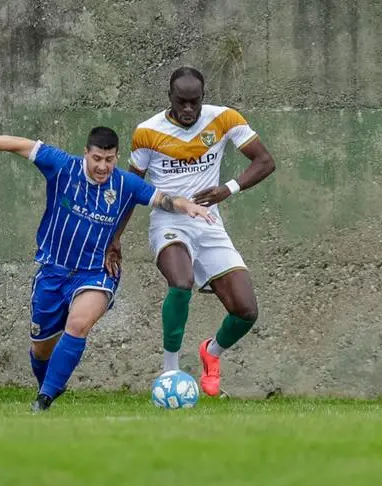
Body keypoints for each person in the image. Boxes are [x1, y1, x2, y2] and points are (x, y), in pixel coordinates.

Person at [0, 126, 215, 411]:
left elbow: (162, 198)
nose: (103, 166)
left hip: (96, 272)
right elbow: (16, 142)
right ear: (86, 154)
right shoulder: (62, 166)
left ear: (116, 158)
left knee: (77, 324)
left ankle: (43, 400)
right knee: (41, 349)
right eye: (97, 159)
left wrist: (186, 206)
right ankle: (50, 386)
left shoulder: (126, 184)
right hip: (53, 271)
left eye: (110, 160)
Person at [106, 66, 276, 397]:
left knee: (246, 311)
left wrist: (226, 189)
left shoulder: (224, 119)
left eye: (194, 103)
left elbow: (264, 162)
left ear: (203, 98)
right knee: (180, 282)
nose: (188, 110)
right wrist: (115, 237)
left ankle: (211, 353)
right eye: (181, 102)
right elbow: (131, 187)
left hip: (209, 224)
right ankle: (170, 371)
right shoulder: (147, 132)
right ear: (169, 97)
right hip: (169, 222)